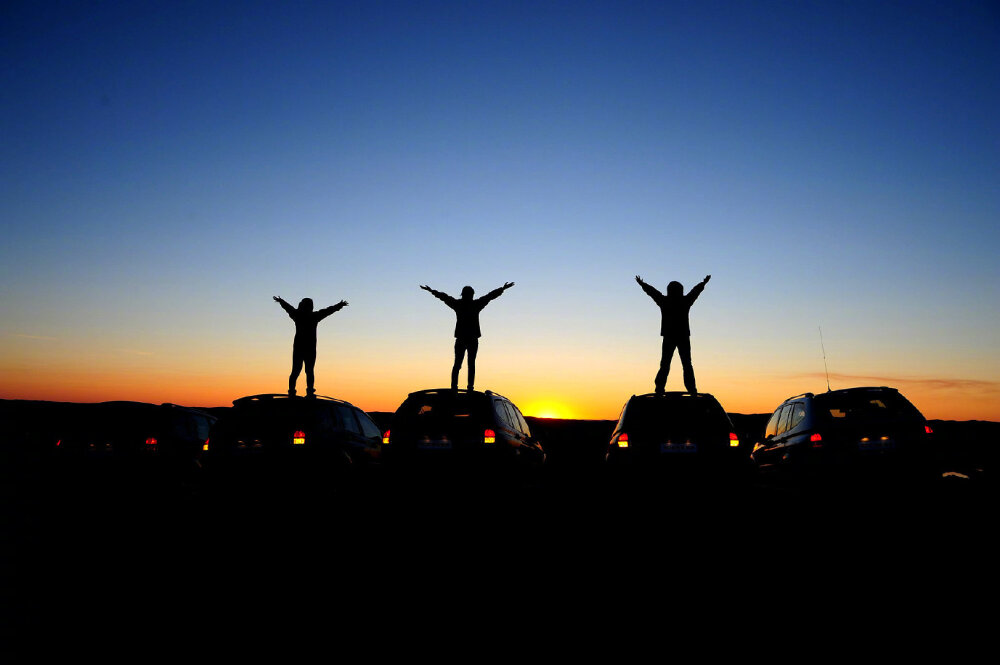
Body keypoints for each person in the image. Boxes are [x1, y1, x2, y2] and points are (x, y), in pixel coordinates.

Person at [420, 282, 515, 391]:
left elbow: (444, 297)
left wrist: (502, 288)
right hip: (468, 339)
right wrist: (502, 288)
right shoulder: (472, 305)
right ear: (469, 295)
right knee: (465, 364)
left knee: (462, 364)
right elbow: (489, 296)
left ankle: (459, 387)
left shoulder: (463, 304)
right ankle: (463, 387)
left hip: (466, 339)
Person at [635, 274, 711, 395]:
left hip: (671, 336)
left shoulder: (666, 301)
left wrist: (642, 284)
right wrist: (703, 283)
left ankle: (661, 388)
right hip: (681, 336)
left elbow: (653, 292)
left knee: (667, 363)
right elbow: (695, 292)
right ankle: (690, 389)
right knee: (684, 364)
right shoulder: (683, 301)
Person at [273, 295, 348, 396]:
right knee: (306, 370)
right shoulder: (312, 316)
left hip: (302, 348)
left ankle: (294, 391)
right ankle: (307, 391)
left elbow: (288, 308)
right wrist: (339, 305)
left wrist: (281, 301)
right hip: (307, 348)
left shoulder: (300, 315)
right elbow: (328, 311)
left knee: (298, 370)